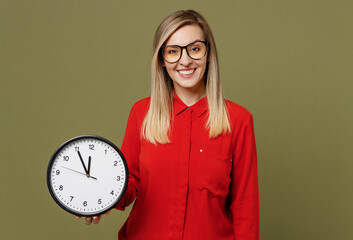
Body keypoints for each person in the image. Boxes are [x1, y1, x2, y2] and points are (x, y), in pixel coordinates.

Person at [79, 9, 259, 240]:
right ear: (162, 60)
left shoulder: (239, 120)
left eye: (195, 49)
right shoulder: (141, 113)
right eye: (173, 51)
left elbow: (245, 206)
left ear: (208, 53)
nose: (185, 60)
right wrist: (101, 198)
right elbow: (128, 182)